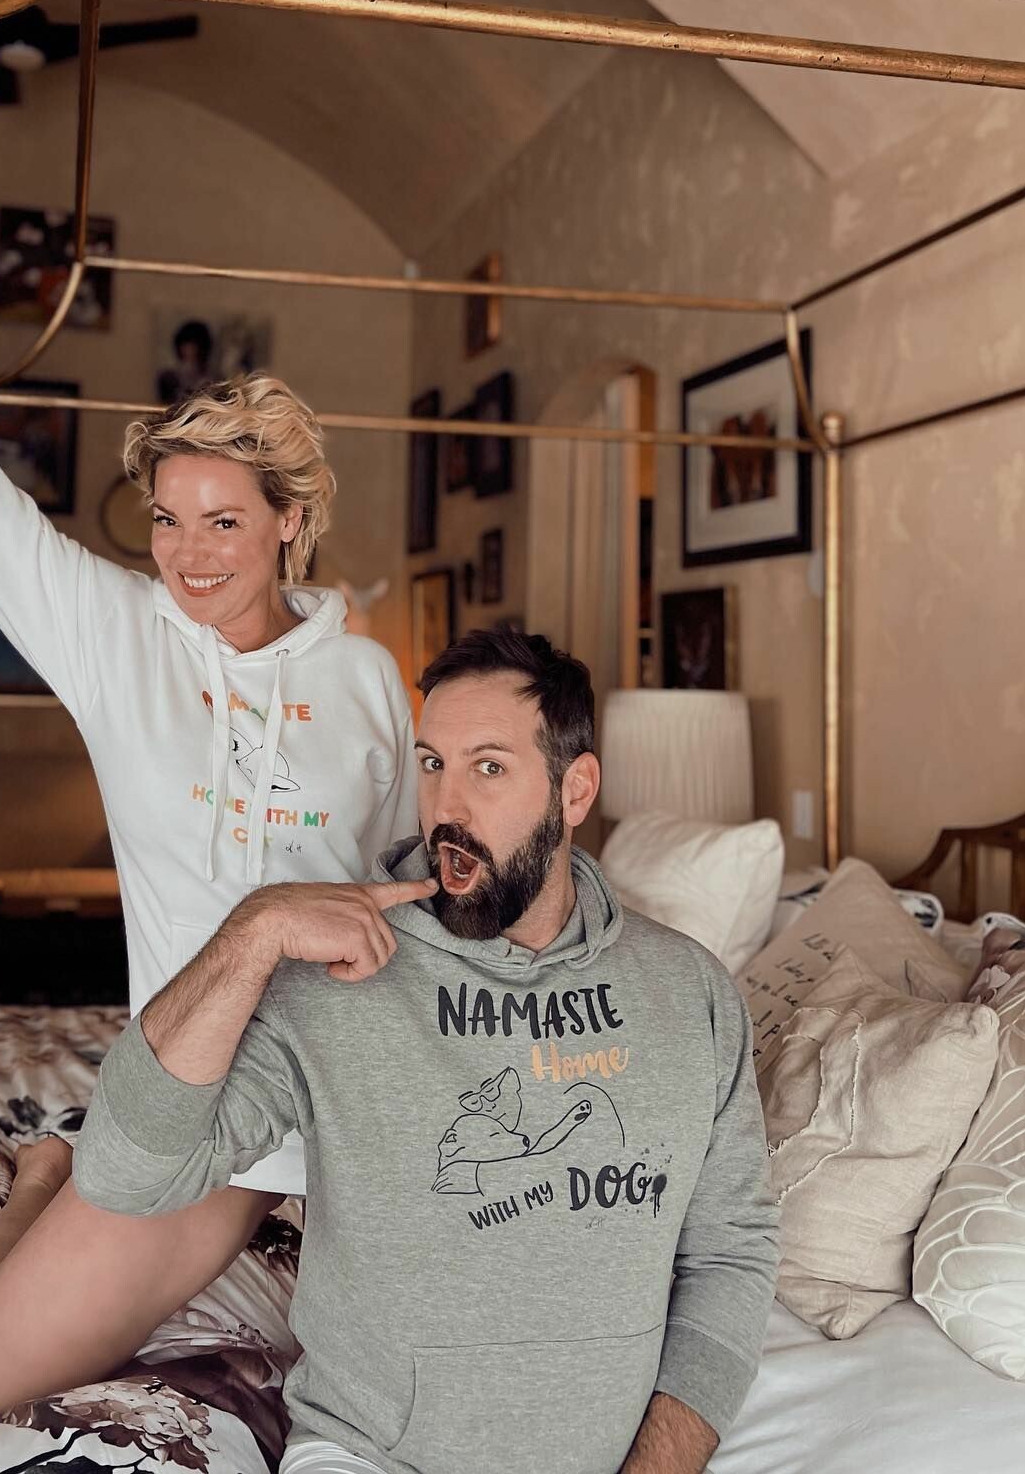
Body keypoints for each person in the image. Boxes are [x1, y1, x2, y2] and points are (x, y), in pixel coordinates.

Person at [0, 134, 419, 1418]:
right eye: (167, 518)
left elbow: (401, 892)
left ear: (289, 522)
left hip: (340, 1099)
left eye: (224, 520)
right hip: (196, 1104)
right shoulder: (115, 637)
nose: (190, 553)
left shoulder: (371, 682)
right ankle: (49, 1179)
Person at [72, 626, 780, 1474]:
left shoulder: (690, 994)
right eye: (434, 764)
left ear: (575, 789)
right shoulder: (337, 979)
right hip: (372, 1453)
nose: (448, 807)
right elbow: (122, 1174)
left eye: (489, 768)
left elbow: (731, 1254)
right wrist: (253, 933)